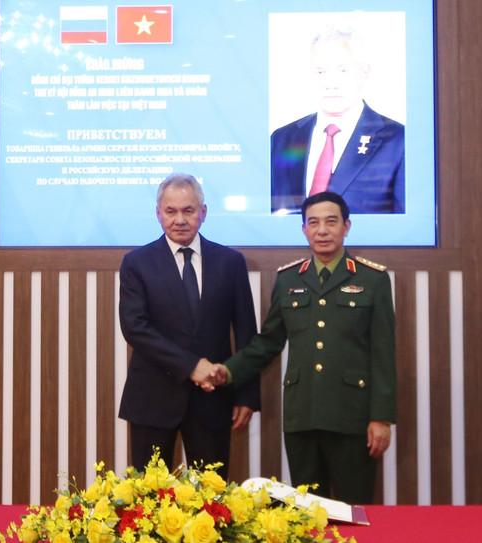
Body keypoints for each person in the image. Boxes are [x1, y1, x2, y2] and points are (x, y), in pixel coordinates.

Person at [204, 191, 397, 504]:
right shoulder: (289, 279)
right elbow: (268, 341)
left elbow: (384, 354)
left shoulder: (372, 280)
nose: (322, 230)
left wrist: (382, 418)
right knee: (308, 513)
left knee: (356, 508)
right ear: (304, 229)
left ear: (346, 226)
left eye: (331, 222)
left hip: (353, 418)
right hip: (302, 416)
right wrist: (228, 371)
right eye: (313, 222)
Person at [118, 173, 260, 478]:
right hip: (152, 399)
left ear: (203, 212)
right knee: (147, 502)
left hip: (213, 401)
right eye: (171, 211)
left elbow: (247, 332)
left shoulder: (230, 261)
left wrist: (246, 395)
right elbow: (135, 328)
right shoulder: (136, 262)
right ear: (158, 214)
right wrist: (191, 366)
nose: (179, 219)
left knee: (212, 504)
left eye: (188, 210)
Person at [271, 25, 405, 215]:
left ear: (365, 71)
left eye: (342, 71)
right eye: (320, 72)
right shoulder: (282, 138)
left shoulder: (397, 140)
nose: (330, 83)